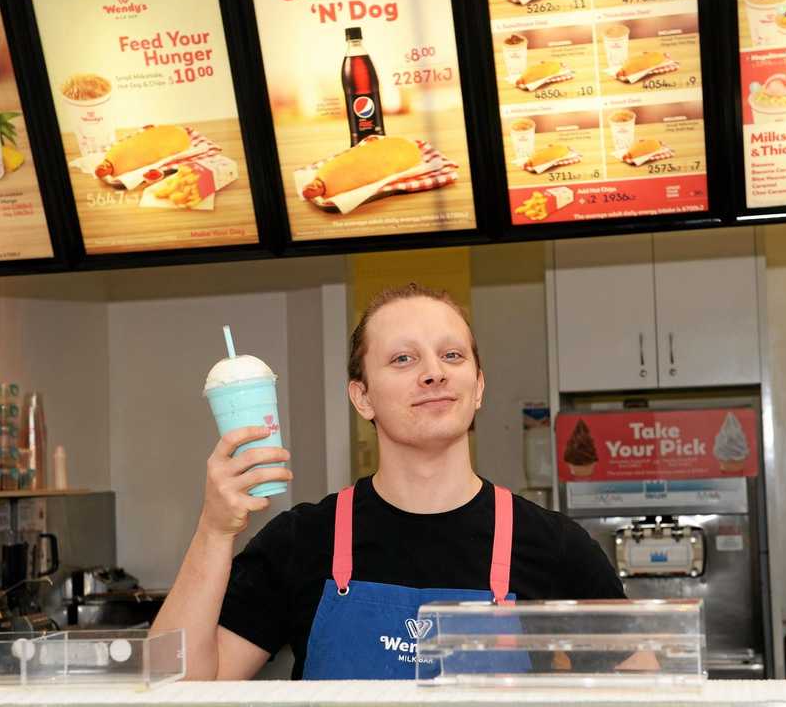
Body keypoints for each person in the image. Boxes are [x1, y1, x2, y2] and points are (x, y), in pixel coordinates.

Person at [151, 283, 624, 680]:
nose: (434, 373)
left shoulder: (556, 547)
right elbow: (177, 688)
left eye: (452, 355)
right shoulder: (301, 541)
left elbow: (646, 688)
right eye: (403, 359)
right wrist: (214, 530)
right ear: (362, 397)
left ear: (478, 387)